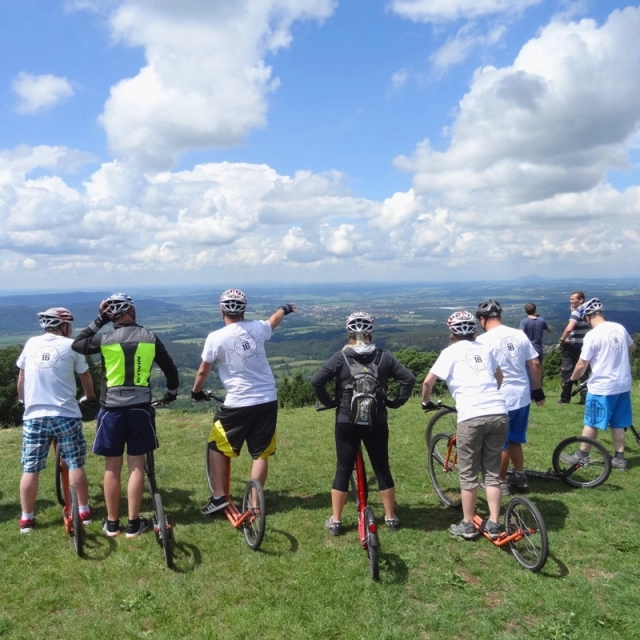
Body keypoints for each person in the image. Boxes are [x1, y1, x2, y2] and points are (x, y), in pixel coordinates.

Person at [72, 293, 179, 538]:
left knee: (111, 467)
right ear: (132, 311)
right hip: (140, 408)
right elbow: (170, 369)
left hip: (111, 410)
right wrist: (171, 392)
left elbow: (78, 344)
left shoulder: (106, 338)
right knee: (136, 466)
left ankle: (111, 524)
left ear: (112, 315)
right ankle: (132, 524)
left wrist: (100, 318)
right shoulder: (150, 337)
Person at [192, 289, 296, 515]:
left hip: (239, 401)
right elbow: (274, 321)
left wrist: (196, 392)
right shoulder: (257, 328)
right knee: (261, 452)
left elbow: (203, 371)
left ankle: (219, 496)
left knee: (216, 445)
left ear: (222, 311)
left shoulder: (215, 338)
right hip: (267, 398)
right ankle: (255, 504)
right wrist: (285, 308)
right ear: (244, 310)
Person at [311, 311, 415, 534]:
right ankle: (390, 518)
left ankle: (336, 521)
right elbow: (409, 378)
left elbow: (316, 381)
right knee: (382, 468)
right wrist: (395, 402)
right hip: (376, 420)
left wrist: (330, 401)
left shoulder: (342, 357)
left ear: (349, 332)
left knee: (343, 468)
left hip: (346, 418)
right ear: (371, 331)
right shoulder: (384, 356)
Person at [422, 311, 508, 540]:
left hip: (472, 415)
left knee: (468, 473)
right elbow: (499, 377)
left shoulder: (450, 352)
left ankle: (468, 524)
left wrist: (425, 401)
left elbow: (428, 382)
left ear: (452, 332)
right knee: (491, 471)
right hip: (499, 412)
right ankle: (494, 523)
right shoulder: (486, 348)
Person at [16, 308, 96, 534]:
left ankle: (27, 519)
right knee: (74, 463)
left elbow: (22, 375)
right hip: (65, 413)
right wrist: (89, 397)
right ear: (64, 326)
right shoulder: (72, 345)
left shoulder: (31, 343)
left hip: (34, 415)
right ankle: (83, 511)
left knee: (31, 467)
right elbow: (85, 375)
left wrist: (23, 401)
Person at [475, 300, 546, 496]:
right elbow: (535, 364)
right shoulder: (519, 334)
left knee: (500, 443)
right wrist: (537, 389)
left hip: (500, 397)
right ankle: (520, 476)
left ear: (483, 319)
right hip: (522, 396)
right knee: (515, 439)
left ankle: (501, 481)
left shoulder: (483, 341)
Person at [563, 298, 635, 470]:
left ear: (587, 317)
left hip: (603, 386)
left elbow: (582, 363)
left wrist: (571, 380)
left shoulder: (593, 335)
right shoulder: (619, 328)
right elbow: (631, 348)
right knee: (618, 423)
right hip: (623, 384)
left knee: (592, 421)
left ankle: (582, 455)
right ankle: (619, 459)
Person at [558, 291, 590, 404]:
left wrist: (562, 340)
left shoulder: (577, 312)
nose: (570, 301)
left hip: (573, 346)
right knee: (584, 371)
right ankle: (584, 397)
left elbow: (569, 328)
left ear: (581, 300)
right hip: (585, 345)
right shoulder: (588, 313)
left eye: (573, 299)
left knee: (567, 370)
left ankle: (565, 398)